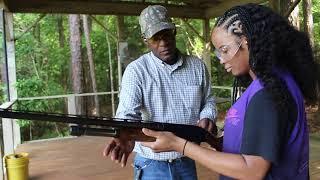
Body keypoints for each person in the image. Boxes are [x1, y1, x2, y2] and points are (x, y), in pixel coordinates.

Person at [141, 3, 320, 180]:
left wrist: (178, 144)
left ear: (248, 42)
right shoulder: (279, 80)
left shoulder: (266, 95)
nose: (221, 59)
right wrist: (223, 143)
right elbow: (265, 139)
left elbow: (252, 170)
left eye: (225, 50)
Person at [103, 5, 217, 180]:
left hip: (187, 159)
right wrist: (124, 131)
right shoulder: (136, 71)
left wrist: (207, 116)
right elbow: (126, 115)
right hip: (151, 164)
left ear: (174, 32)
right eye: (156, 38)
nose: (163, 43)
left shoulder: (197, 66)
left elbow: (208, 100)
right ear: (145, 39)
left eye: (166, 34)